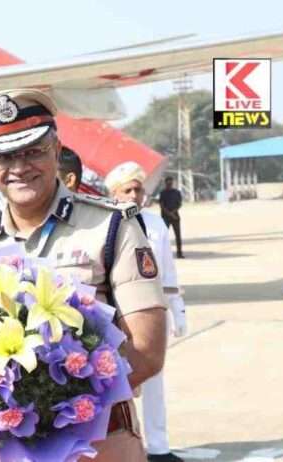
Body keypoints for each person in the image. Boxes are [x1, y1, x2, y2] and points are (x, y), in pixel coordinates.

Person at [0, 89, 167, 462]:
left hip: (100, 439)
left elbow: (147, 352)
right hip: (7, 447)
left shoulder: (112, 228)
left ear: (56, 150)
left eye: (32, 151)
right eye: (5, 156)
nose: (20, 167)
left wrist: (54, 411)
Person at [105, 162, 189, 462]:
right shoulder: (105, 223)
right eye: (126, 189)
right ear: (112, 193)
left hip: (151, 313)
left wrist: (177, 309)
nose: (133, 194)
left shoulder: (156, 225)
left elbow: (167, 271)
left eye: (138, 189)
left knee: (154, 382)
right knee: (114, 388)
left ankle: (159, 447)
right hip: (114, 318)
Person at [159, 177, 184, 258]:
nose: (169, 184)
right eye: (168, 183)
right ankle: (162, 254)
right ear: (165, 183)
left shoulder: (177, 192)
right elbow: (162, 205)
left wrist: (172, 213)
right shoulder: (162, 193)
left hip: (175, 217)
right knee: (163, 236)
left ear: (172, 183)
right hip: (165, 217)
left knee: (178, 236)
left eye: (170, 183)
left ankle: (179, 253)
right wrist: (170, 214)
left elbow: (180, 204)